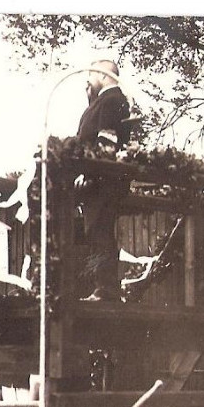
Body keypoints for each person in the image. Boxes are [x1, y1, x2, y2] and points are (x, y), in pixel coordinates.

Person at [75, 58, 132, 302]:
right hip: (100, 180)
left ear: (104, 75)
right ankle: (103, 287)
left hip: (103, 181)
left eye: (91, 75)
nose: (88, 80)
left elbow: (106, 143)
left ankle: (106, 289)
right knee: (97, 230)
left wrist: (89, 173)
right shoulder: (103, 101)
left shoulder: (112, 100)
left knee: (100, 231)